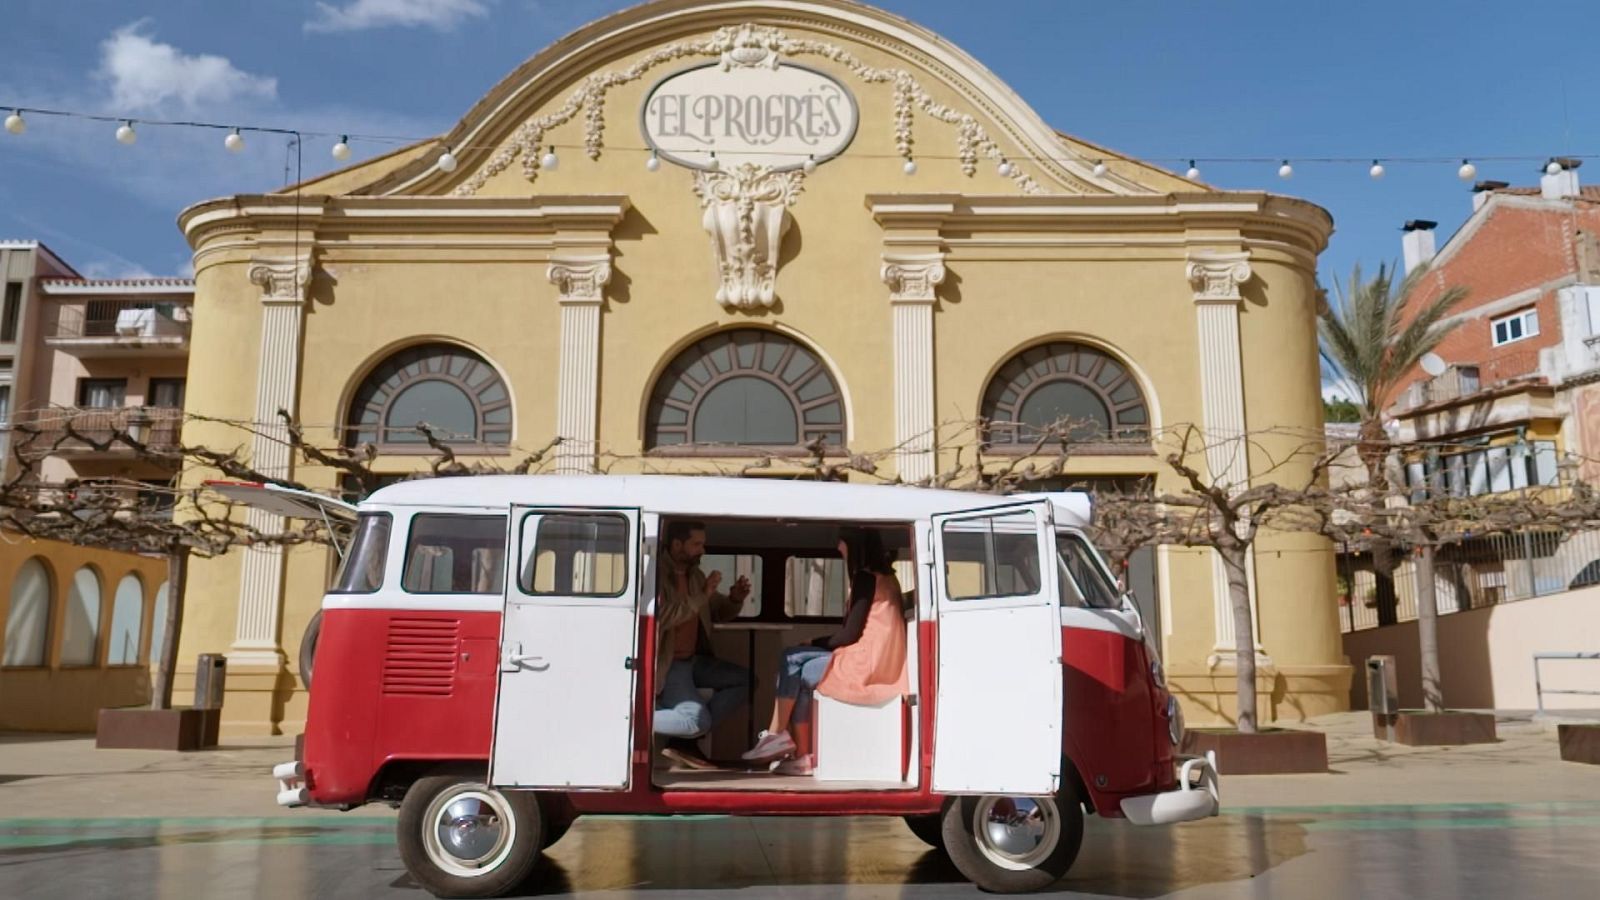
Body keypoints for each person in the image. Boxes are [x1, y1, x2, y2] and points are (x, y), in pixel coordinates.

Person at [743, 527, 909, 775]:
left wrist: (813, 640)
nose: (839, 548)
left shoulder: (865, 578)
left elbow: (849, 634)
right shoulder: (888, 579)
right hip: (878, 659)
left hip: (865, 663)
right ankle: (793, 751)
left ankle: (779, 737)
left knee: (793, 663)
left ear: (854, 546)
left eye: (842, 543)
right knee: (797, 667)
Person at [653, 520, 753, 770]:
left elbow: (716, 611)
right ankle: (627, 720)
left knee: (747, 680)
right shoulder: (657, 575)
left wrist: (734, 599)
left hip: (694, 659)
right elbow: (664, 616)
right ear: (677, 545)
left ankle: (683, 742)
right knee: (696, 721)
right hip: (671, 663)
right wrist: (703, 595)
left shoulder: (695, 576)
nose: (702, 550)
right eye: (696, 544)